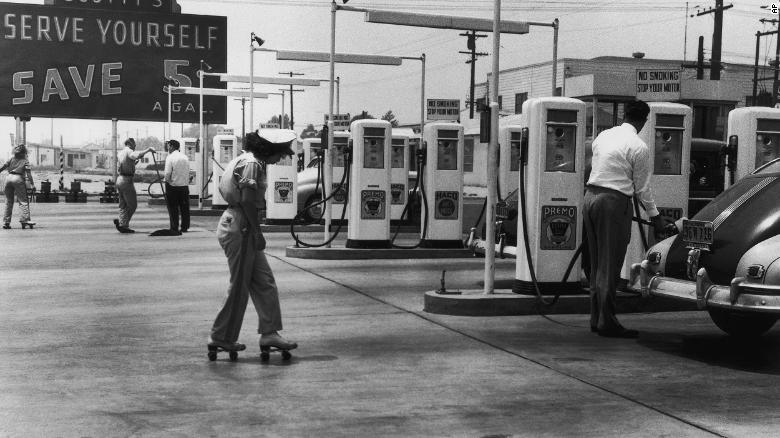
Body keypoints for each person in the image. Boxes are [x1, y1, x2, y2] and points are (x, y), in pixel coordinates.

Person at [584, 100, 668, 338]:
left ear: (624, 115)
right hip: (613, 203)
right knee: (610, 264)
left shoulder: (603, 136)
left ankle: (596, 317)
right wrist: (656, 217)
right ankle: (607, 321)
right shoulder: (638, 146)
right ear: (644, 120)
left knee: (596, 262)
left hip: (590, 198)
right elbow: (642, 189)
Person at [208, 131, 298, 355]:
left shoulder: (246, 159)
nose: (281, 158)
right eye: (280, 153)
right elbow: (248, 200)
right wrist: (257, 232)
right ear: (269, 149)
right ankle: (221, 337)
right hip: (242, 224)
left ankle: (269, 333)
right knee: (239, 286)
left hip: (240, 221)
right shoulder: (252, 165)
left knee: (264, 281)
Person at [114, 138, 155, 233]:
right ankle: (123, 224)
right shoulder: (129, 151)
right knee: (132, 205)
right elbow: (137, 155)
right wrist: (148, 149)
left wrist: (133, 163)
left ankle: (122, 223)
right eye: (134, 144)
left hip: (120, 179)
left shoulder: (121, 152)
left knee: (123, 205)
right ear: (129, 143)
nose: (135, 146)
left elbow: (126, 163)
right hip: (126, 180)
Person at [1, 145, 35, 229]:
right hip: (18, 179)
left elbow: (2, 167)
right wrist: (32, 184)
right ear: (24, 152)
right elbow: (29, 174)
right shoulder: (25, 161)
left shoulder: (11, 159)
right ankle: (25, 220)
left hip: (8, 178)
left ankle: (6, 222)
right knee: (23, 200)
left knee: (9, 201)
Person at [163, 139, 190, 234]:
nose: (167, 148)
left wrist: (169, 182)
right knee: (184, 207)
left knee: (173, 208)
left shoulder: (170, 157)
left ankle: (174, 226)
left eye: (168, 146)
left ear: (172, 146)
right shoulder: (185, 157)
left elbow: (167, 173)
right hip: (184, 186)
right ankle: (185, 227)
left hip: (173, 186)